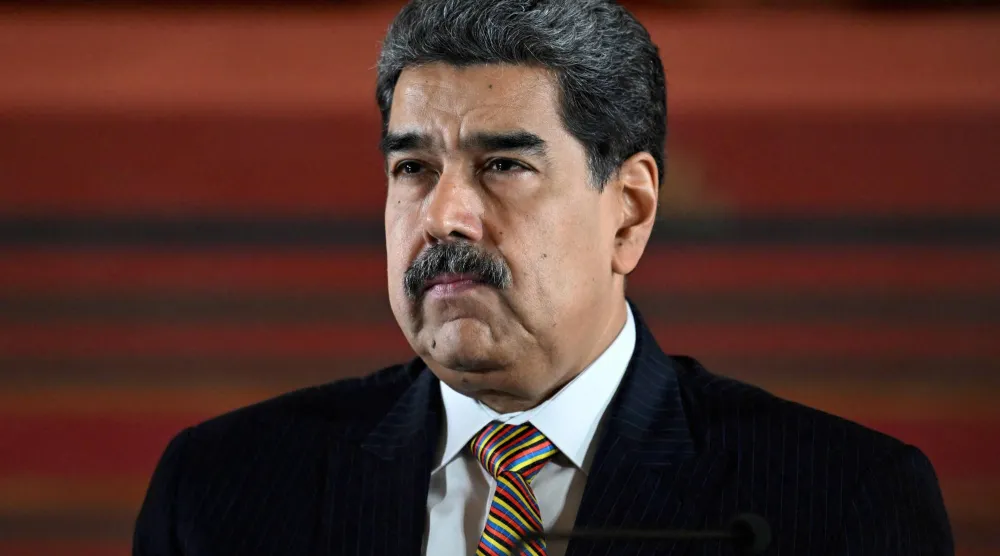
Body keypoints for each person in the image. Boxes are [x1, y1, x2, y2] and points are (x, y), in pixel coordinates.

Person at [133, 1, 954, 554]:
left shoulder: (841, 502)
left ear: (628, 212)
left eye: (503, 165)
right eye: (413, 167)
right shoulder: (222, 491)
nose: (444, 216)